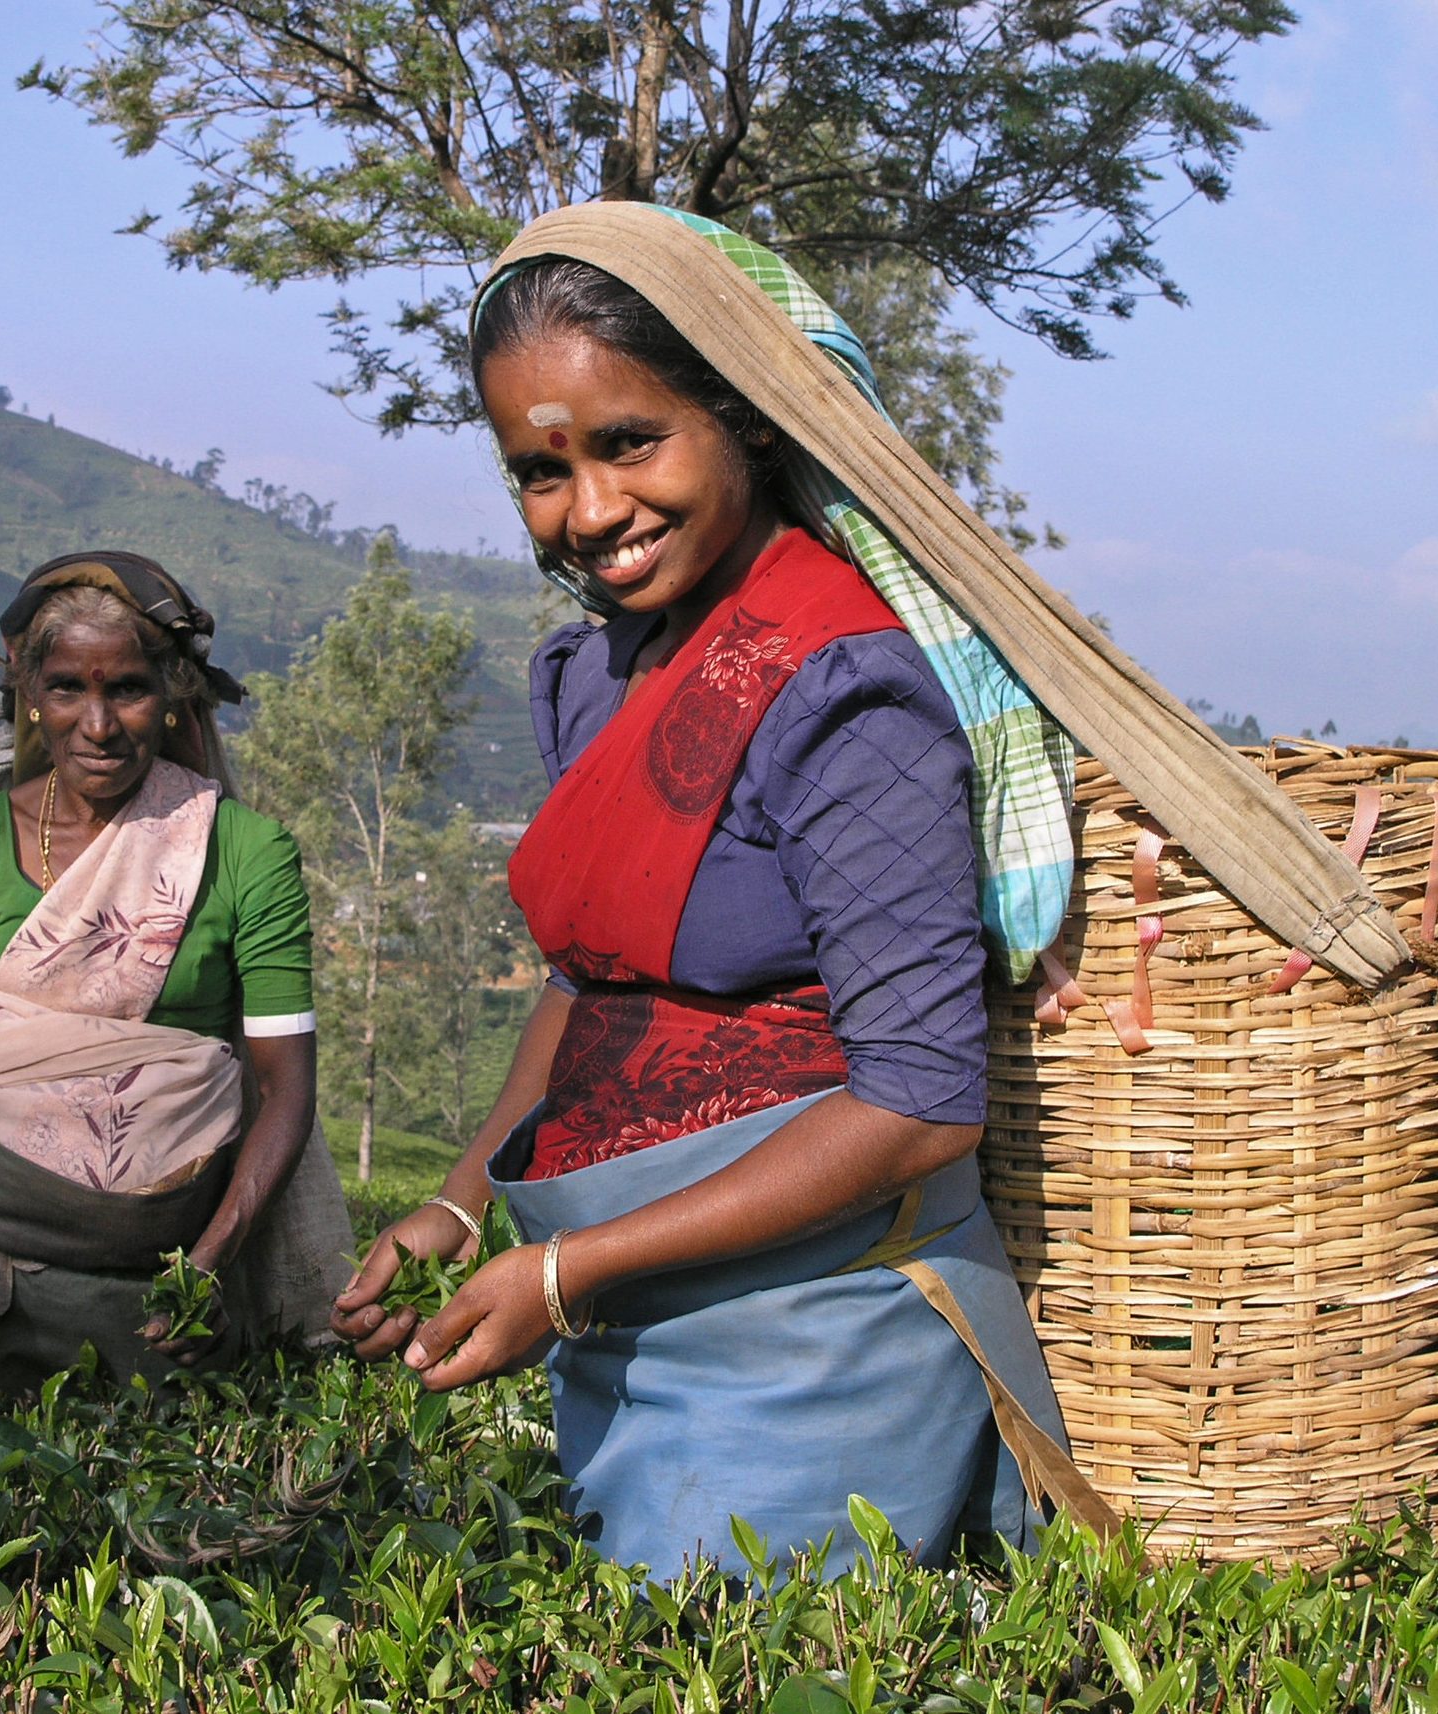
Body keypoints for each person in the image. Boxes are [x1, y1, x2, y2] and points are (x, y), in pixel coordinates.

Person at [332, 208, 1110, 1579]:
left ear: (743, 416)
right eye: (538, 468)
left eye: (629, 442)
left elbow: (918, 1103)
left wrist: (565, 1274)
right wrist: (461, 1207)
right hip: (633, 1329)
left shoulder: (843, 687)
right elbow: (592, 979)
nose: (590, 512)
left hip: (815, 1341)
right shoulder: (603, 671)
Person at [0, 551, 353, 1390]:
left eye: (127, 688)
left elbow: (285, 1090)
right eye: (66, 690)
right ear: (28, 694)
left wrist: (207, 1270)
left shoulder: (242, 853)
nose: (98, 724)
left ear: (171, 695)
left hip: (170, 1311)